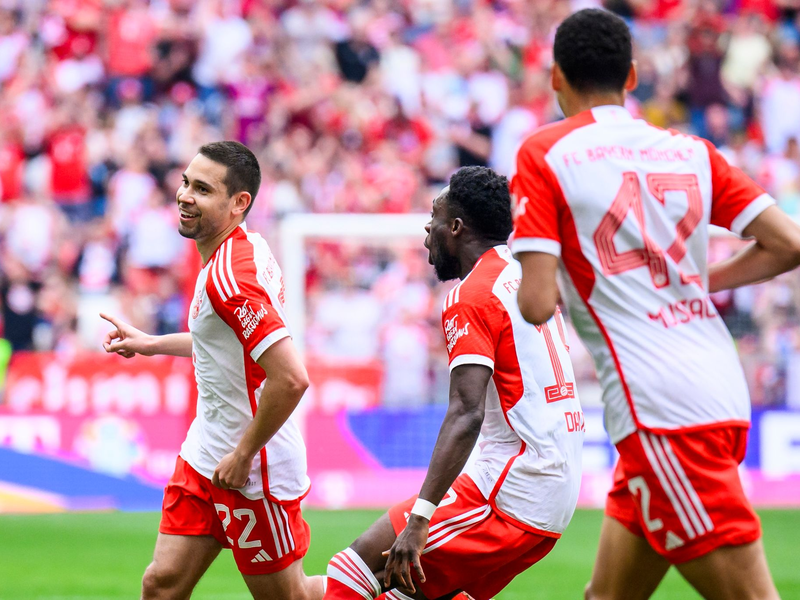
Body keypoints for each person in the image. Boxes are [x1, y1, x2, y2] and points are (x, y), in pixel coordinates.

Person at [510, 9, 800, 600]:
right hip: (716, 385)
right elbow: (788, 243)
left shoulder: (545, 152)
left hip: (660, 412)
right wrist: (693, 280)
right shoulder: (689, 150)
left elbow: (536, 303)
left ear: (556, 76)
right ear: (633, 76)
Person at [323, 166, 584, 600]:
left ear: (457, 227)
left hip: (512, 489)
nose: (427, 228)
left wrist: (420, 519)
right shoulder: (527, 280)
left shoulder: (473, 294)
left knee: (352, 571)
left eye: (435, 217)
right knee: (407, 594)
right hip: (555, 490)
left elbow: (466, 412)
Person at [101, 141, 325, 600]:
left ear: (239, 203)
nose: (185, 196)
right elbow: (223, 344)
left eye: (202, 189)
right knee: (160, 586)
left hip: (251, 468)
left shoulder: (232, 280)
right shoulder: (243, 248)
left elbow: (291, 378)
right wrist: (151, 344)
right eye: (186, 182)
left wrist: (244, 454)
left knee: (291, 597)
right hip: (205, 454)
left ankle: (379, 586)